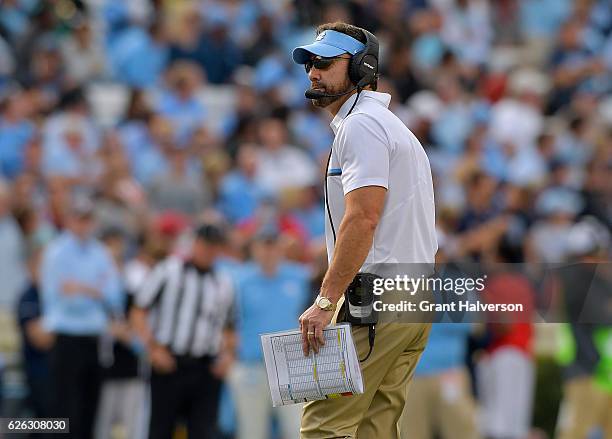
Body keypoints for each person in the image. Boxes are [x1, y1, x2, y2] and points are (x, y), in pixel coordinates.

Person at [292, 22, 437, 438]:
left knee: (324, 426)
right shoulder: (389, 126)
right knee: (376, 428)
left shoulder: (361, 125)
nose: (313, 72)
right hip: (413, 294)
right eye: (309, 64)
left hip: (378, 295)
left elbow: (363, 218)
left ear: (361, 68)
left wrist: (325, 300)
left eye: (325, 62)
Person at [131, 223, 236, 439]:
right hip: (170, 363)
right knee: (161, 429)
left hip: (206, 367)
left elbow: (229, 326)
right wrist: (152, 348)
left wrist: (227, 356)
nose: (208, 251)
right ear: (194, 243)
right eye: (205, 244)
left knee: (204, 431)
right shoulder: (168, 271)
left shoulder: (223, 282)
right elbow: (138, 311)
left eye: (214, 246)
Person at [40, 194, 123, 439]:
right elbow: (62, 297)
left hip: (94, 338)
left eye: (88, 219)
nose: (83, 225)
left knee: (90, 408)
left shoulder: (101, 253)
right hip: (66, 338)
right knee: (64, 410)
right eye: (79, 219)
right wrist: (93, 291)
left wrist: (82, 289)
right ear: (69, 220)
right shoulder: (56, 252)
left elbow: (113, 296)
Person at [228, 225, 308, 439]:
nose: (268, 251)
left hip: (290, 366)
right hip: (252, 365)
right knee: (251, 432)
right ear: (254, 249)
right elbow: (227, 322)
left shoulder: (299, 277)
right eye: (264, 246)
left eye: (273, 246)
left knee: (297, 430)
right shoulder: (239, 281)